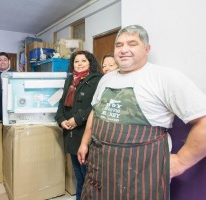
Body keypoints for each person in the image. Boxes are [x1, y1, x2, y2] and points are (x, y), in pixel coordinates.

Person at [77, 25, 206, 200]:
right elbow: (96, 111)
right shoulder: (106, 79)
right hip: (100, 172)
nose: (124, 50)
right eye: (119, 45)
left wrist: (181, 162)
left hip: (142, 178)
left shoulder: (165, 78)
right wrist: (85, 142)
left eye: (132, 44)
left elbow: (203, 122)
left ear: (147, 49)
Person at [55, 50, 102, 200]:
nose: (80, 64)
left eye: (83, 61)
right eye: (76, 61)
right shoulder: (70, 81)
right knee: (78, 174)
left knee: (88, 175)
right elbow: (62, 104)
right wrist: (61, 119)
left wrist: (78, 119)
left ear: (90, 63)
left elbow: (97, 105)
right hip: (70, 133)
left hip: (86, 132)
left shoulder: (97, 79)